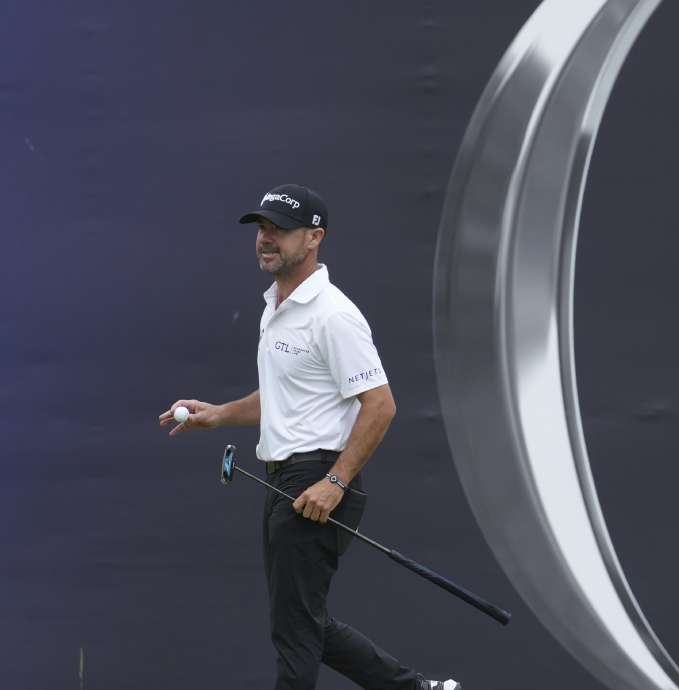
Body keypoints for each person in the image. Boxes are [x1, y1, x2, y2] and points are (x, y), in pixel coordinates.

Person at [159, 184, 461, 690]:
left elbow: (381, 404)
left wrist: (335, 483)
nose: (265, 238)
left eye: (280, 229)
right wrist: (216, 415)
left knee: (296, 635)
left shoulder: (333, 314)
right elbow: (281, 395)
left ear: (315, 237)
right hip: (287, 482)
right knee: (303, 624)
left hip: (316, 482)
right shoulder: (276, 306)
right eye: (262, 228)